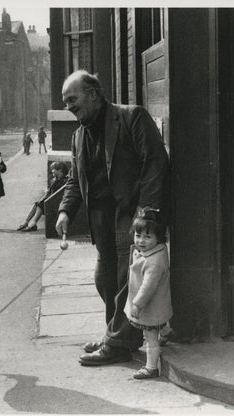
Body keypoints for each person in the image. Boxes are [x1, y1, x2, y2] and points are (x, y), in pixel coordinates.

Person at [55, 70, 171, 366]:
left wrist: (145, 214)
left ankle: (118, 343)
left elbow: (156, 162)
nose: (68, 106)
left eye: (72, 99)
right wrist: (65, 211)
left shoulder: (131, 117)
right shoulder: (79, 135)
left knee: (126, 280)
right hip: (102, 220)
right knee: (104, 279)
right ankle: (117, 333)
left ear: (93, 94)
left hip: (131, 216)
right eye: (65, 101)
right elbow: (73, 180)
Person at [124, 208, 172, 379]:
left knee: (150, 338)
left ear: (159, 237)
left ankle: (151, 367)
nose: (141, 240)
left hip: (149, 305)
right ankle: (166, 331)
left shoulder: (154, 261)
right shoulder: (158, 251)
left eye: (147, 236)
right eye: (138, 235)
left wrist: (137, 304)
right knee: (160, 323)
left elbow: (148, 287)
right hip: (159, 303)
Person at [17, 161, 69, 232]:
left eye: (53, 169)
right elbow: (49, 192)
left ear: (60, 170)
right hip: (52, 200)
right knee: (37, 204)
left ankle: (33, 223)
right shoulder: (54, 180)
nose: (51, 171)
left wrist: (46, 196)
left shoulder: (65, 181)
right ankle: (26, 222)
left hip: (57, 203)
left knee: (41, 204)